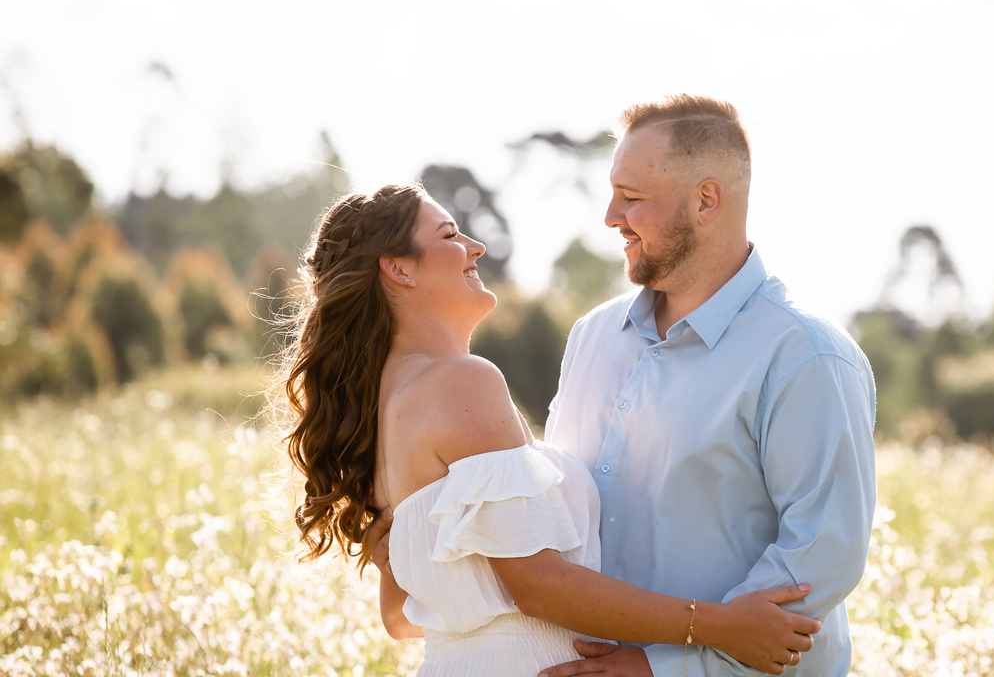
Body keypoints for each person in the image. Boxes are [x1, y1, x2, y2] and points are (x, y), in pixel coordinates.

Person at [281, 183, 823, 677]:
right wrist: (720, 627)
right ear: (399, 269)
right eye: (449, 235)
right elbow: (537, 586)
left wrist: (395, 566)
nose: (475, 247)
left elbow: (403, 620)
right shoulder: (462, 383)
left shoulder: (381, 408)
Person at [539, 95, 878, 677]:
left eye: (631, 196)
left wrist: (664, 666)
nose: (611, 216)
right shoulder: (592, 337)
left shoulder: (806, 355)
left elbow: (818, 559)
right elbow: (554, 505)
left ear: (705, 200)